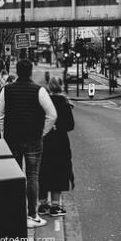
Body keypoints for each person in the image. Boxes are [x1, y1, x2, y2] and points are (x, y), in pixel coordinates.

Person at [0, 59, 57, 229]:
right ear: (30, 72)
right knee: (33, 176)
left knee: (15, 177)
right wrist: (41, 132)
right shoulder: (40, 91)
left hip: (12, 139)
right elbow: (52, 115)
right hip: (33, 140)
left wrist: (5, 130)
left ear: (17, 71)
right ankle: (32, 215)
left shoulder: (6, 90)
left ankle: (15, 214)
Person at [38, 77, 75, 217]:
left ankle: (42, 205)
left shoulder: (43, 103)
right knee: (58, 171)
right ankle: (55, 206)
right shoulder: (64, 103)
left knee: (43, 171)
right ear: (61, 86)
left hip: (45, 141)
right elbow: (70, 126)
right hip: (60, 142)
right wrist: (58, 127)